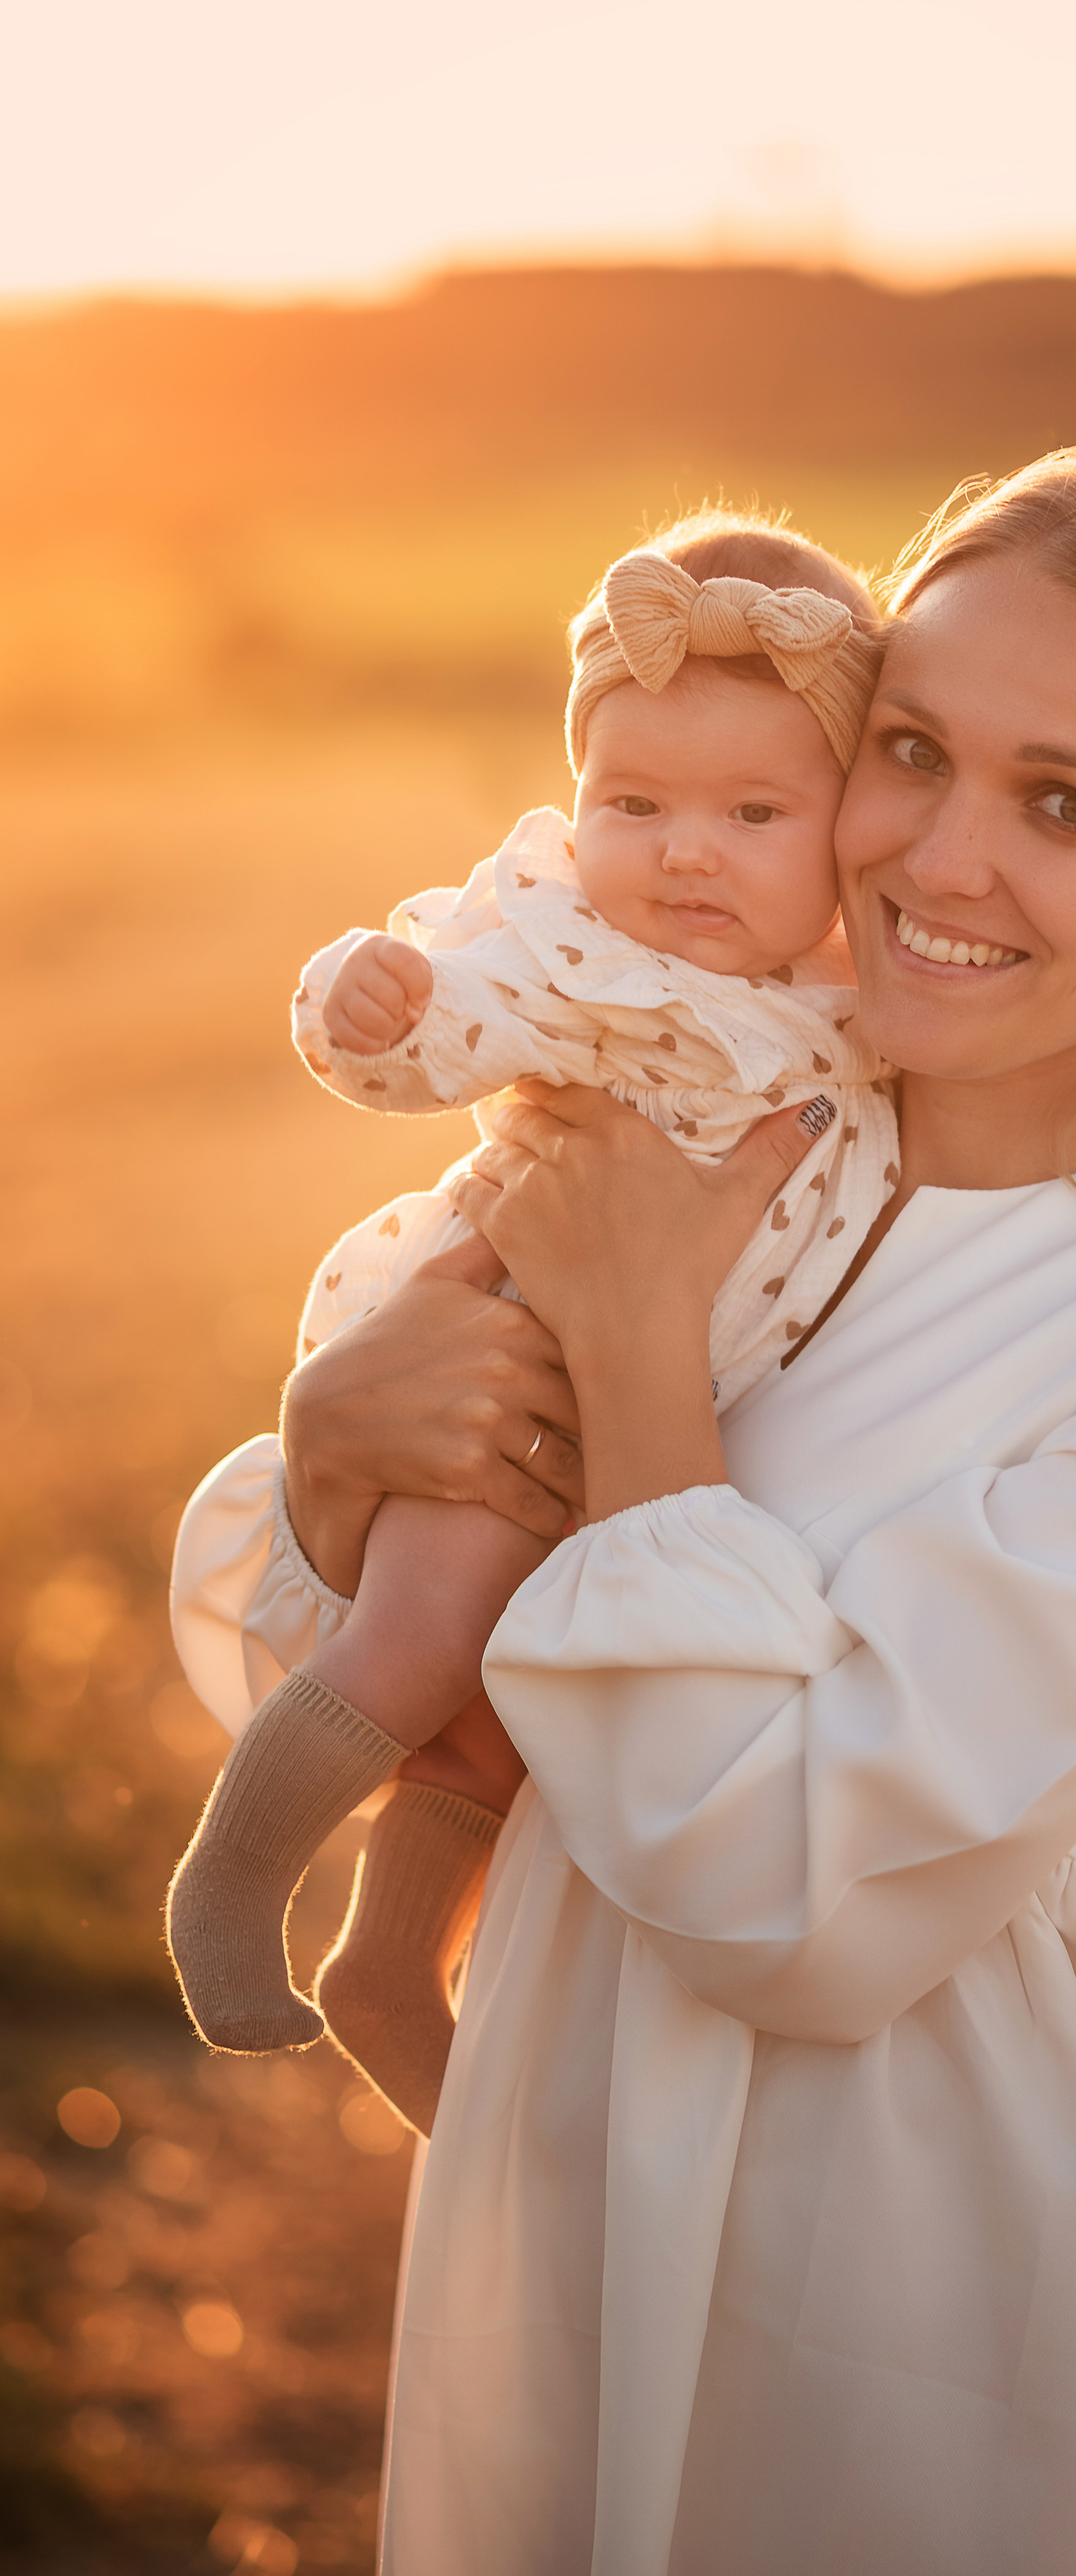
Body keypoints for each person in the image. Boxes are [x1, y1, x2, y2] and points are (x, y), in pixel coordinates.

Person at [169, 440, 1076, 2576]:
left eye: (1067, 804)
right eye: (911, 752)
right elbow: (383, 1650)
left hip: (911, 2247)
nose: (941, 857)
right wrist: (342, 1441)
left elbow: (785, 1900)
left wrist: (634, 1360)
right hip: (566, 2154)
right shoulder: (779, 1136)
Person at [165, 517, 893, 2134]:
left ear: (848, 826)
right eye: (633, 803)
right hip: (495, 1364)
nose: (682, 852)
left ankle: (386, 1966)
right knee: (425, 1649)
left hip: (633, 1417)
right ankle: (232, 1881)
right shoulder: (580, 951)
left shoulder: (859, 1000)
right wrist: (370, 997)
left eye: (750, 812)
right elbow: (435, 1016)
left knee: (504, 1722)